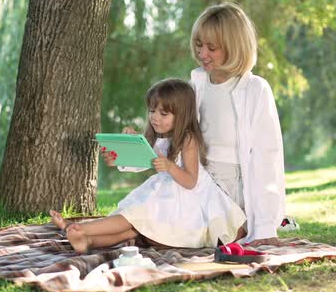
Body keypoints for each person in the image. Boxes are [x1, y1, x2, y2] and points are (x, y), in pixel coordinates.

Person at [50, 79, 246, 253]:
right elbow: (139, 162)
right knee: (131, 228)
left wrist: (170, 167)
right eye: (152, 111)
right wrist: (119, 155)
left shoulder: (188, 139)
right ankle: (87, 241)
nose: (155, 117)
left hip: (187, 202)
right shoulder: (158, 138)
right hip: (165, 195)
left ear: (182, 115)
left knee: (133, 217)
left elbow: (191, 181)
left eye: (163, 113)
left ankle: (79, 228)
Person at [188, 2, 286, 246]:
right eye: (199, 45)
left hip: (233, 190)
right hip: (197, 181)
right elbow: (173, 138)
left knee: (211, 236)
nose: (203, 54)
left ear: (235, 48)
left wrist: (264, 228)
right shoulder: (195, 84)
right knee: (156, 223)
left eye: (212, 48)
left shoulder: (254, 89)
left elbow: (267, 159)